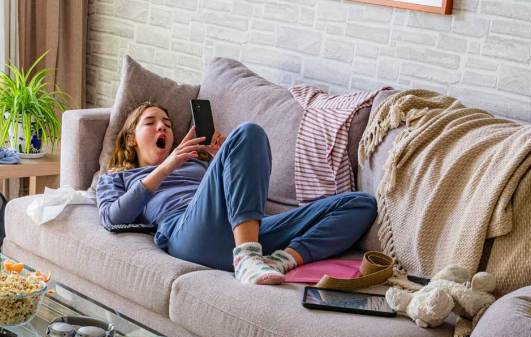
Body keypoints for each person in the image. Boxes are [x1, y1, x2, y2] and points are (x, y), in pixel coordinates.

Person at [96, 102, 377, 285]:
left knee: (360, 204)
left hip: (244, 231)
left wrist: (223, 160)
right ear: (131, 138)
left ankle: (277, 261)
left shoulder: (195, 164)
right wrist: (167, 166)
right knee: (247, 132)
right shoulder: (118, 177)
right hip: (187, 234)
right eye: (151, 122)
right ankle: (247, 257)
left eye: (167, 124)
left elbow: (232, 197)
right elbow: (112, 218)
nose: (162, 127)